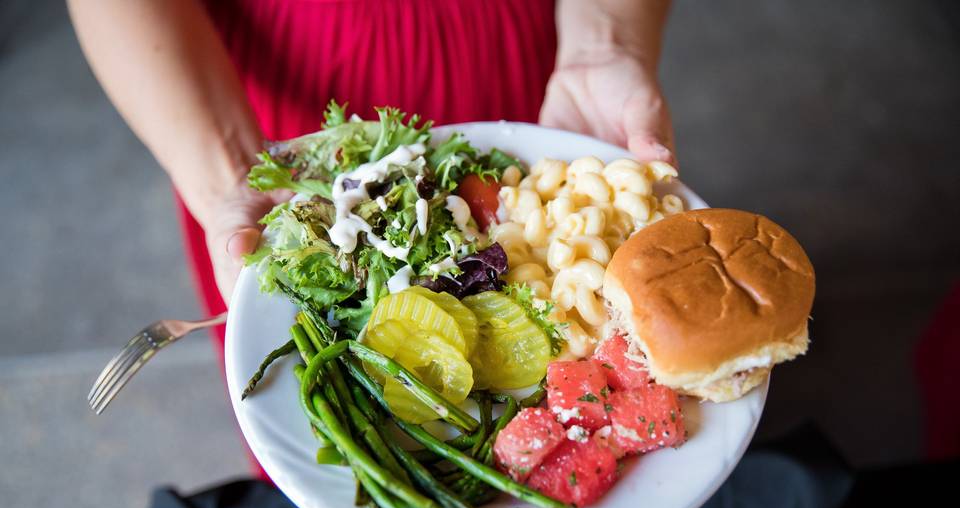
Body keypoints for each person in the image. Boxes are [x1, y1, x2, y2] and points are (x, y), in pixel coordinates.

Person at [68, 0, 675, 475]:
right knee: (324, 423)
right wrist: (235, 171)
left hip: (526, 82)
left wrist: (605, 45)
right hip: (275, 131)